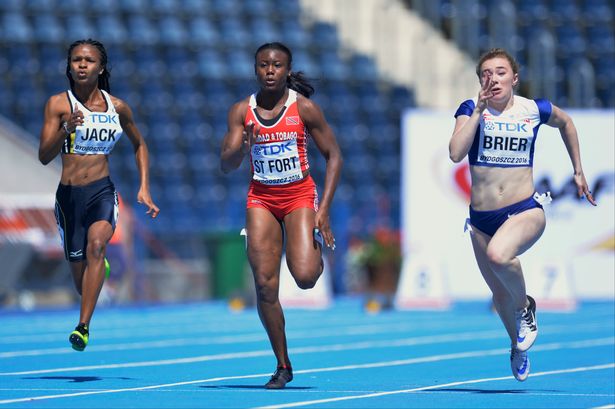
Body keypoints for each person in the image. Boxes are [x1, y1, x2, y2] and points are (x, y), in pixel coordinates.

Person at [449, 48, 596, 381]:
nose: (493, 78)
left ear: (514, 78)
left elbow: (567, 123)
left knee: (500, 256)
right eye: (486, 73)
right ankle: (516, 345)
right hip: (481, 219)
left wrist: (578, 170)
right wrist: (478, 113)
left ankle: (525, 307)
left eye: (500, 72)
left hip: (524, 209)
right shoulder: (471, 109)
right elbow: (456, 153)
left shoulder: (533, 109)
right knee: (498, 292)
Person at [220, 42, 343, 389]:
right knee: (264, 285)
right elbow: (225, 165)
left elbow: (334, 156)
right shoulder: (240, 112)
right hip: (261, 199)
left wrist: (325, 211)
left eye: (276, 65)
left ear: (287, 71)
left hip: (299, 196)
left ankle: (312, 244)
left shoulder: (303, 109)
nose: (270, 71)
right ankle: (283, 364)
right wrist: (243, 147)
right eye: (263, 65)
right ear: (255, 69)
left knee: (304, 277)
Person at [39, 39, 159, 351]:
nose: (81, 65)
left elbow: (140, 144)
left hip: (101, 192)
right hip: (68, 198)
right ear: (69, 66)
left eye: (88, 60)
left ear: (100, 67)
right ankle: (97, 270)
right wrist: (66, 130)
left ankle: (83, 327)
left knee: (96, 246)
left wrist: (144, 187)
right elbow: (43, 155)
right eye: (76, 60)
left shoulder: (117, 107)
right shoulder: (58, 105)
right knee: (82, 283)